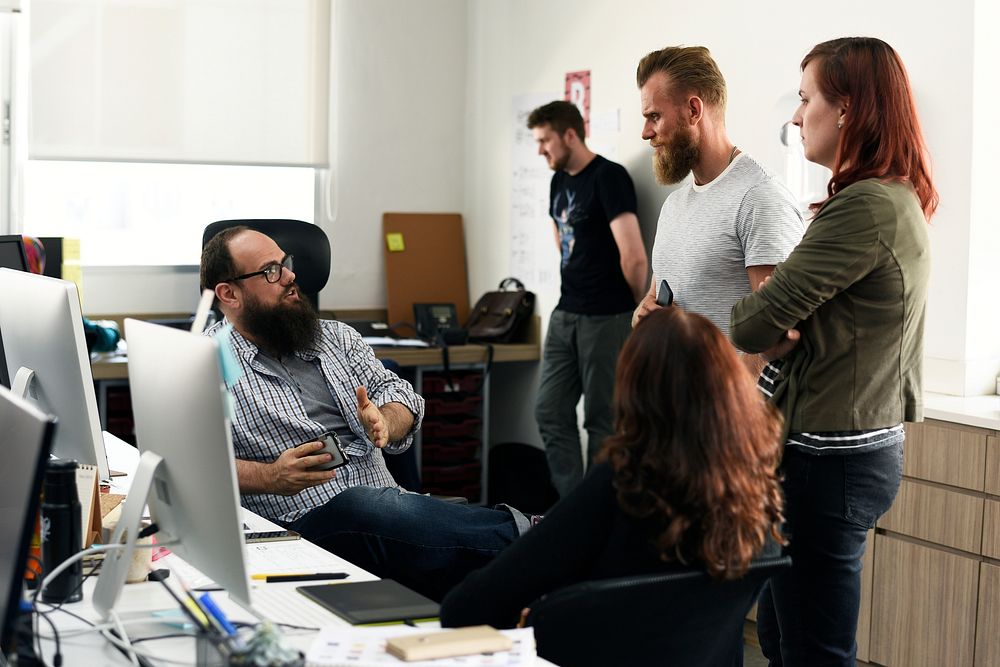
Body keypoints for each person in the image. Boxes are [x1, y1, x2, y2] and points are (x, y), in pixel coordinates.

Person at [730, 37, 937, 665]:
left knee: (813, 652)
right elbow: (779, 320)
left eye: (805, 99)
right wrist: (783, 323)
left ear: (846, 109)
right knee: (783, 638)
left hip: (828, 461)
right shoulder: (884, 199)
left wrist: (777, 325)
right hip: (840, 451)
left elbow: (752, 322)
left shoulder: (867, 207)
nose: (796, 117)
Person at [200, 226, 534, 601]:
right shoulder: (204, 361)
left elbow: (399, 393)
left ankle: (542, 553)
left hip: (390, 510)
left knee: (481, 582)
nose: (291, 276)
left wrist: (386, 421)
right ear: (229, 293)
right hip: (298, 527)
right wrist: (271, 476)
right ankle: (544, 538)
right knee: (361, 507)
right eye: (271, 271)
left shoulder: (336, 337)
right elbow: (194, 466)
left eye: (286, 264)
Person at [440, 307, 785, 629]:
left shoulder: (623, 483)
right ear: (730, 388)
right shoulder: (758, 492)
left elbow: (467, 606)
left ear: (635, 391)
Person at [631, 46, 804, 375]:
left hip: (726, 417)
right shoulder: (674, 205)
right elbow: (657, 294)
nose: (646, 133)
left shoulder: (759, 197)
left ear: (694, 110)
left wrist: (727, 411)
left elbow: (778, 334)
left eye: (654, 116)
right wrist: (643, 313)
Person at [528, 100, 648, 498]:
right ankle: (570, 504)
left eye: (545, 140)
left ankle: (596, 511)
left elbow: (633, 256)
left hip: (606, 316)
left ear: (569, 134)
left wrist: (627, 313)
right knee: (549, 409)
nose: (540, 149)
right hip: (566, 313)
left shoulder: (609, 178)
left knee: (602, 422)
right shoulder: (559, 181)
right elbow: (561, 238)